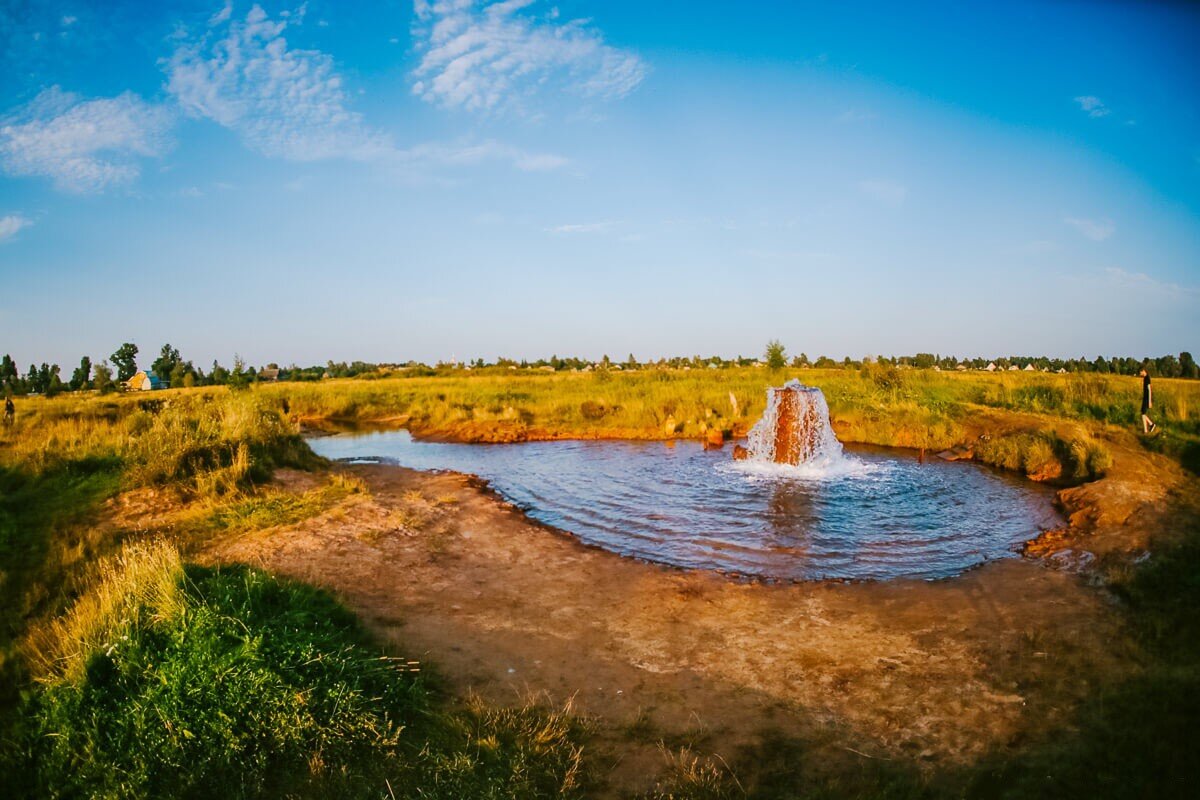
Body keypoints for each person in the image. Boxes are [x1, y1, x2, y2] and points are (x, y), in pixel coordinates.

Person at [1139, 368, 1157, 434]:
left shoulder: (1147, 378)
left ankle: (1149, 427)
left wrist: (1149, 401)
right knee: (1143, 413)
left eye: (1140, 372)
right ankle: (1149, 427)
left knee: (1143, 413)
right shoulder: (1145, 378)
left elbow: (1149, 390)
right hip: (1145, 398)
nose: (1140, 374)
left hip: (1147, 399)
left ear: (1144, 371)